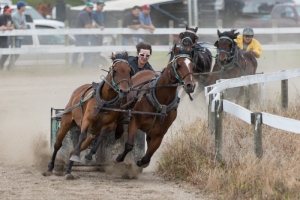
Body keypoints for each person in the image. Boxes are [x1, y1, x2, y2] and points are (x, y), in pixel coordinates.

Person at [72, 2, 94, 68]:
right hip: (81, 35)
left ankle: (73, 65)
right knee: (86, 50)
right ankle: (88, 65)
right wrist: (94, 26)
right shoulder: (84, 14)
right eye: (90, 8)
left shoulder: (85, 13)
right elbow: (87, 26)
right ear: (86, 7)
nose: (91, 9)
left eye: (92, 8)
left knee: (77, 50)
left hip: (80, 35)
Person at [90, 0, 105, 67]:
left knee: (99, 51)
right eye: (101, 6)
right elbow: (92, 22)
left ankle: (97, 64)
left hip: (100, 36)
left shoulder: (101, 14)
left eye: (102, 6)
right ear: (97, 6)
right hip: (95, 36)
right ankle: (93, 65)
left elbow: (101, 23)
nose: (102, 7)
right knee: (94, 51)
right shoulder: (94, 14)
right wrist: (96, 30)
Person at [11, 1, 27, 65]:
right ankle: (10, 65)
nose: (25, 8)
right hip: (15, 36)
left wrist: (22, 26)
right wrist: (21, 26)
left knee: (18, 52)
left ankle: (11, 64)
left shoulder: (23, 15)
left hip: (21, 36)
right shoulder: (14, 15)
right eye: (24, 6)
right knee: (16, 52)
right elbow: (17, 26)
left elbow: (26, 26)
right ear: (20, 7)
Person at [0, 5, 14, 70]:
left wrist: (7, 28)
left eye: (11, 10)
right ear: (5, 10)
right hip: (1, 38)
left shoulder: (10, 17)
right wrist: (8, 28)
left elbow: (12, 27)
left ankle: (0, 65)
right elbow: (2, 27)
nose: (10, 12)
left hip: (5, 38)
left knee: (6, 53)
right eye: (9, 10)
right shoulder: (2, 17)